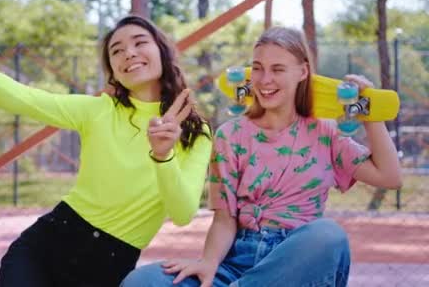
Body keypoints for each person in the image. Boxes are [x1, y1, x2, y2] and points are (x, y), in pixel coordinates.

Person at [0, 15, 213, 286]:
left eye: (139, 43)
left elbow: (183, 212)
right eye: (117, 50)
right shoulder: (98, 110)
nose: (129, 53)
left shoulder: (195, 132)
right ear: (113, 71)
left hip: (109, 264)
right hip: (48, 244)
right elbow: (24, 98)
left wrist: (163, 156)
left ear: (162, 50)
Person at [120, 26, 403, 287]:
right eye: (258, 68)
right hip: (235, 264)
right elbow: (224, 218)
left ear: (303, 72)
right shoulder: (230, 135)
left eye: (278, 69)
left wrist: (370, 114)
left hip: (293, 263)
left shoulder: (325, 132)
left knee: (328, 236)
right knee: (142, 281)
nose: (265, 80)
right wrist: (208, 262)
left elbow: (389, 176)